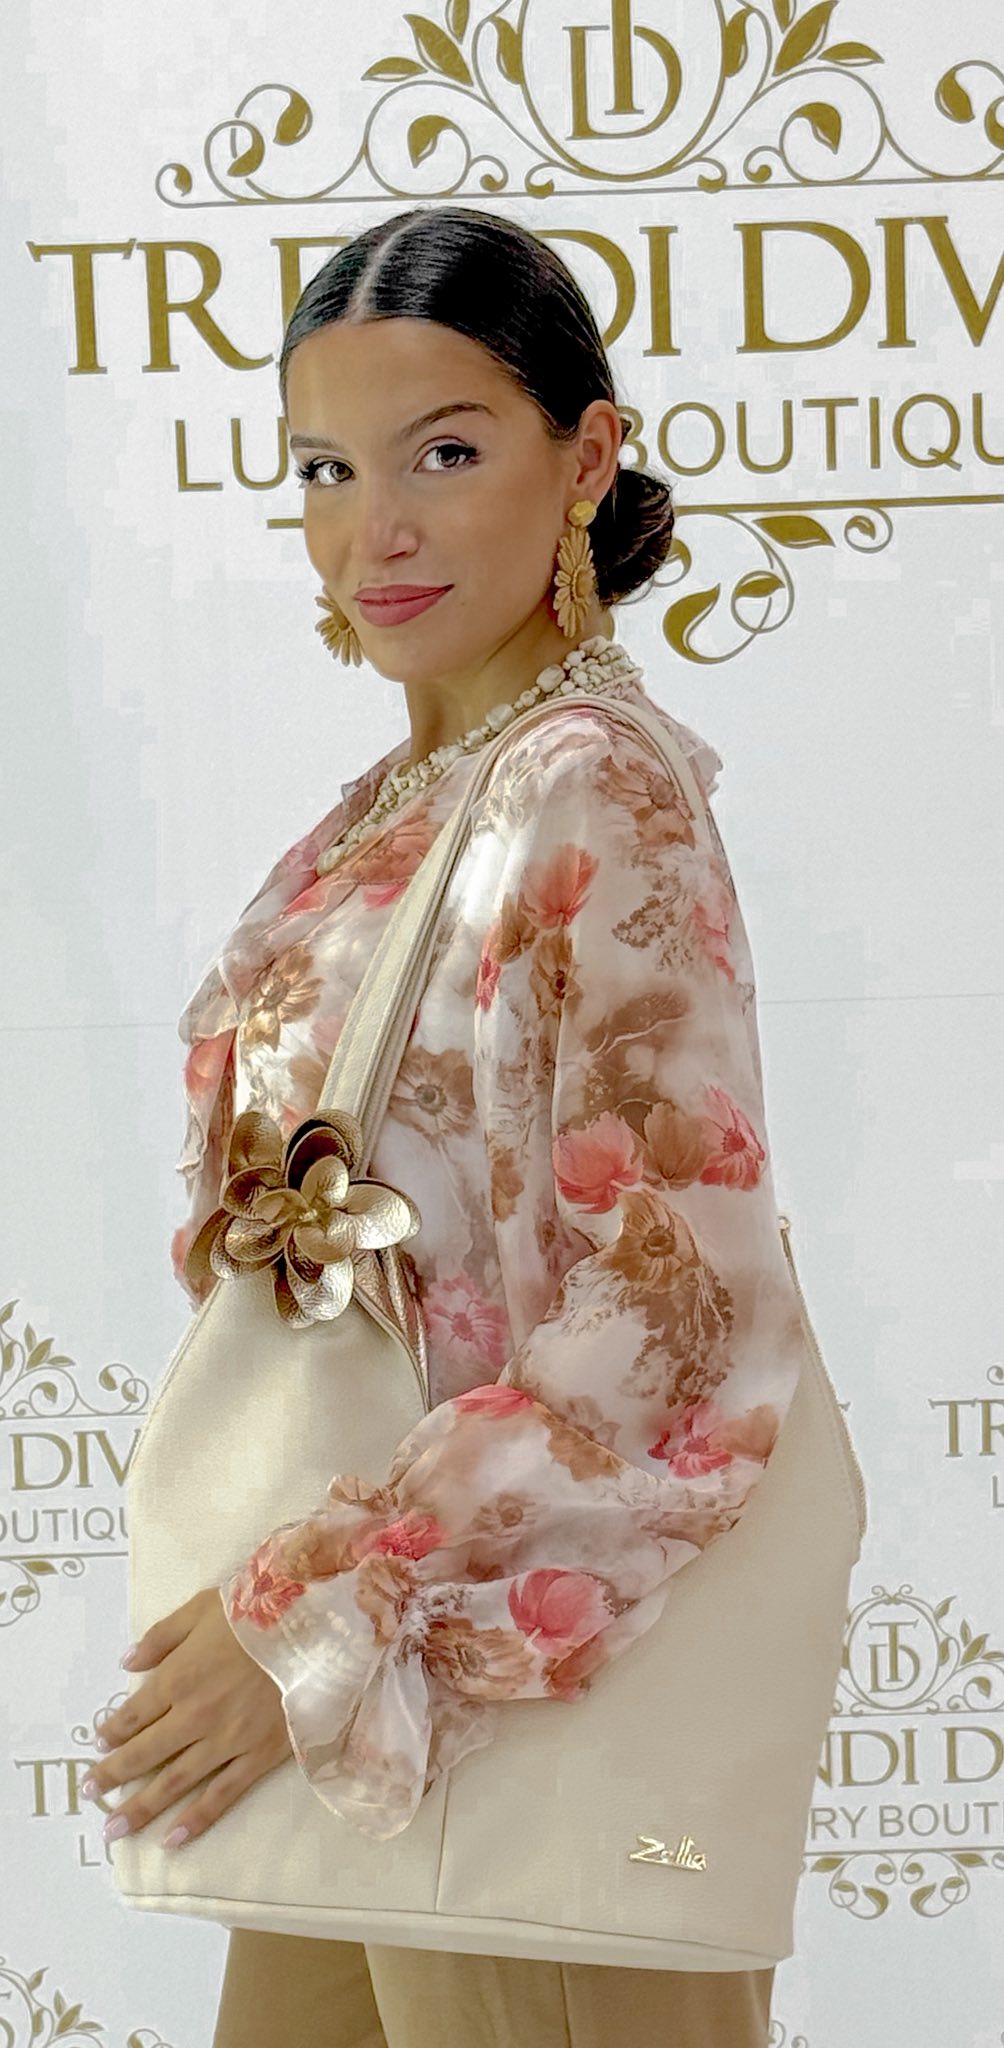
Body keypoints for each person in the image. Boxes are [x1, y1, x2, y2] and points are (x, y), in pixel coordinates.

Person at [85, 205, 806, 2046]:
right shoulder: (407, 801)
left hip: (499, 1686)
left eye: (447, 454)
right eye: (326, 469)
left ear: (588, 457)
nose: (375, 530)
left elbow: (673, 1318)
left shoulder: (588, 786)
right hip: (377, 1713)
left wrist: (313, 1611)